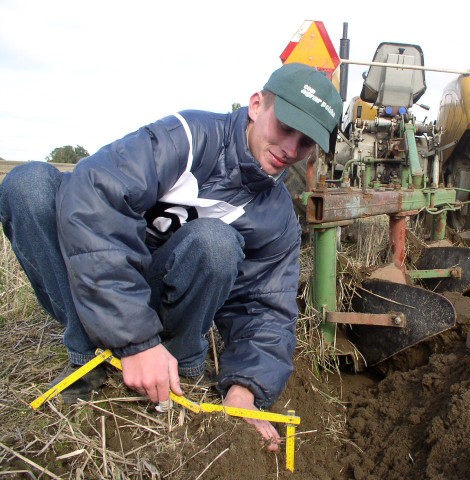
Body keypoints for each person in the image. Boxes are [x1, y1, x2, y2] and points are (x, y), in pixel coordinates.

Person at [0, 63, 343, 451]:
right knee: (27, 186)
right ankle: (88, 357)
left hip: (169, 301)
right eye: (285, 128)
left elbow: (267, 309)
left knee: (215, 242)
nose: (290, 150)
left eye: (306, 143)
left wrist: (245, 390)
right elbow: (95, 196)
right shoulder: (187, 138)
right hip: (105, 291)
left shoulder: (277, 217)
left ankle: (180, 366)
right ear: (256, 105)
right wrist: (136, 341)